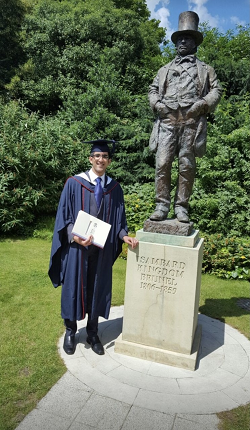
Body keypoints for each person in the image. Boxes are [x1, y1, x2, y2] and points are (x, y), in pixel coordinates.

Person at [48, 140, 138, 356]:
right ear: (90, 159)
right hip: (77, 250)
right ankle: (70, 331)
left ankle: (93, 332)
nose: (101, 160)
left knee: (97, 289)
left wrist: (124, 236)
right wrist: (74, 237)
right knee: (73, 289)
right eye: (97, 156)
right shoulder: (74, 183)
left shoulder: (114, 189)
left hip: (101, 251)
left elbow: (119, 221)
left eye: (105, 156)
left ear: (109, 161)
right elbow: (64, 217)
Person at [149, 11, 222, 223]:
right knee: (162, 164)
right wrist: (157, 104)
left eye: (187, 38)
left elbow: (216, 91)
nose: (182, 41)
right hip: (167, 122)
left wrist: (203, 104)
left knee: (187, 166)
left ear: (194, 43)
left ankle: (181, 207)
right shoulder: (164, 69)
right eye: (179, 38)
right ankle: (161, 206)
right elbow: (153, 89)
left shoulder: (206, 69)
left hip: (191, 123)